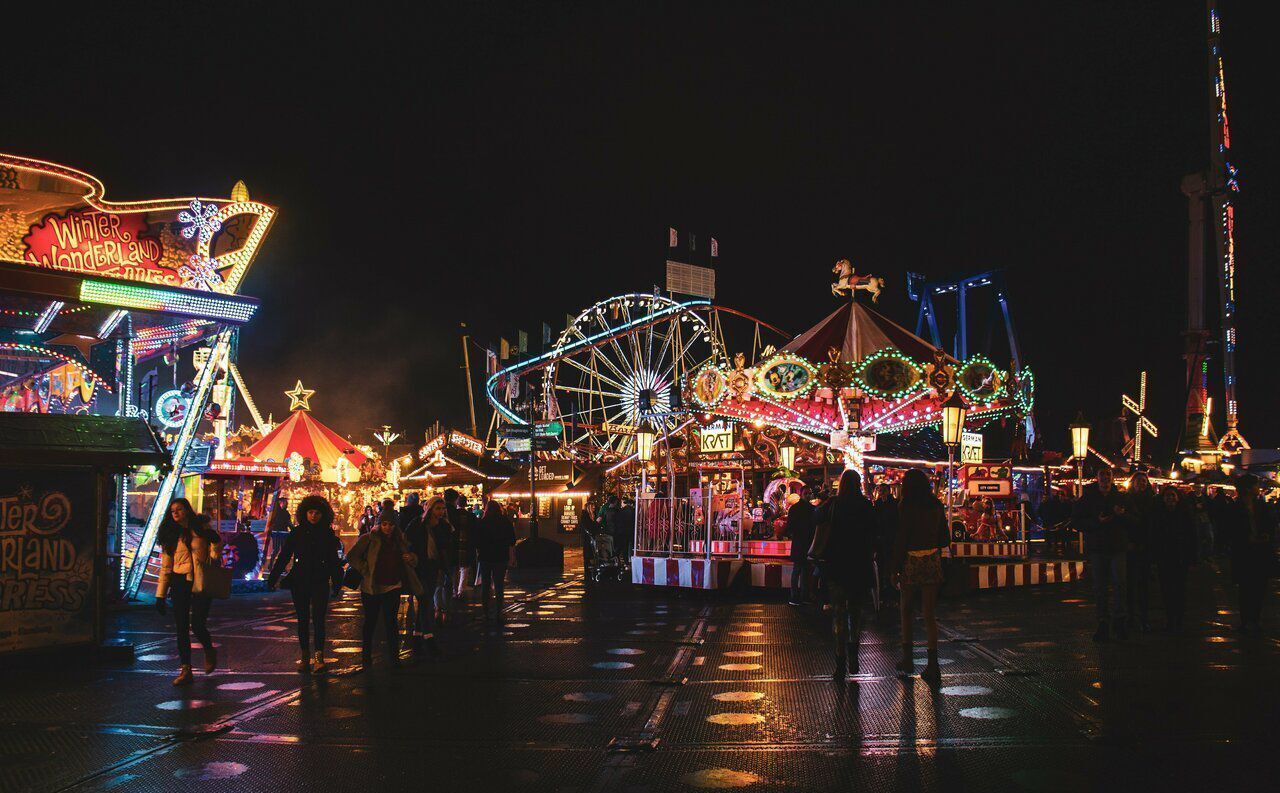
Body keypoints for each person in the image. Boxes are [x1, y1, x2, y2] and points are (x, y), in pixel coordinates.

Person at [268, 495, 344, 673]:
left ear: (323, 515)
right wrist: (273, 577)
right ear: (305, 513)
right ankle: (304, 655)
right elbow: (285, 556)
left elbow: (333, 560)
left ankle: (318, 656)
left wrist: (337, 582)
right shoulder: (297, 533)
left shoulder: (327, 534)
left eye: (317, 513)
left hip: (320, 580)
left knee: (319, 619)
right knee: (302, 620)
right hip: (300, 580)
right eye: (310, 512)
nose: (313, 516)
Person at [813, 469, 876, 680]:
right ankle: (854, 653)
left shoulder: (833, 504)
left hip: (837, 565)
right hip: (859, 565)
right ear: (859, 484)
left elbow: (816, 517)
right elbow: (875, 533)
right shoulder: (866, 506)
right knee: (856, 612)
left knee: (838, 613)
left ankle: (840, 662)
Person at [155, 498, 222, 686]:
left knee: (198, 625)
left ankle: (209, 649)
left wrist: (216, 546)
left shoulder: (200, 530)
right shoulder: (170, 535)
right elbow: (166, 568)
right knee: (181, 627)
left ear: (187, 510)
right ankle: (186, 669)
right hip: (179, 582)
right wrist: (160, 595)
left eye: (179, 509)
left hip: (202, 580)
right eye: (172, 510)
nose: (175, 513)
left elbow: (215, 553)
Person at [891, 469, 950, 683]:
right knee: (929, 614)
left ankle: (908, 659)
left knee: (906, 609)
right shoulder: (935, 505)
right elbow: (945, 537)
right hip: (931, 560)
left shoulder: (905, 506)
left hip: (911, 560)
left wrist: (894, 568)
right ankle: (932, 664)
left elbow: (901, 537)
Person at [346, 511, 423, 668]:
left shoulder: (400, 540)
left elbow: (413, 559)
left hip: (393, 586)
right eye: (384, 524)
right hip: (371, 587)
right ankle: (366, 657)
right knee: (370, 622)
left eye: (391, 525)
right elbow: (352, 556)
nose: (387, 527)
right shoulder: (368, 538)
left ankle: (394, 658)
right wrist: (364, 568)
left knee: (391, 623)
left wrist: (412, 558)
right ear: (379, 524)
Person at [1074, 467, 1131, 642]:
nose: (1105, 479)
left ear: (1112, 479)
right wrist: (1095, 523)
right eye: (1102, 475)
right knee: (1100, 587)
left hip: (1117, 547)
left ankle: (1119, 621)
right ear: (1097, 478)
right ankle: (1103, 622)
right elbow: (1076, 520)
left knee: (1120, 585)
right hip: (1099, 547)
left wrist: (1122, 516)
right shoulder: (1089, 498)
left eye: (1108, 476)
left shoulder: (1121, 498)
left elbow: (1134, 520)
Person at [1223, 475, 1276, 635]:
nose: (1258, 487)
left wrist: (1266, 534)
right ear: (1248, 488)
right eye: (1255, 485)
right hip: (1244, 552)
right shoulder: (1235, 507)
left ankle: (1255, 619)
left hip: (1261, 552)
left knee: (1260, 587)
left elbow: (1269, 524)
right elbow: (1229, 529)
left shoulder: (1261, 505)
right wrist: (1246, 538)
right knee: (1246, 588)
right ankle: (1246, 621)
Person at [403, 498, 451, 656]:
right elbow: (407, 540)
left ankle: (417, 636)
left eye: (443, 508)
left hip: (434, 567)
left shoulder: (443, 525)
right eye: (438, 508)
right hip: (420, 566)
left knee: (425, 600)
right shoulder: (417, 524)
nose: (441, 512)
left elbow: (445, 546)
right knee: (425, 600)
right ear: (430, 508)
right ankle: (429, 638)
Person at [1153, 486, 1195, 631]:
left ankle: (1179, 618)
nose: (1170, 498)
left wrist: (1192, 556)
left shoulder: (1185, 514)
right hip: (1164, 556)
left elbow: (1192, 535)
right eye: (1167, 496)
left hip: (1180, 556)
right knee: (1166, 588)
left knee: (1180, 588)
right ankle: (1171, 617)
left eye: (1172, 495)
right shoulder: (1159, 515)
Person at [1125, 472, 1158, 632]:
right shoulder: (1127, 500)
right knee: (1130, 583)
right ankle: (1132, 617)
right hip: (1131, 545)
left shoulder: (1153, 501)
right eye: (1139, 481)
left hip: (1146, 545)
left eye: (1144, 481)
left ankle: (1143, 617)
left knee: (1144, 585)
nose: (1141, 484)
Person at [474, 499, 517, 619]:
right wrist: (512, 557)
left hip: (485, 557)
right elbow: (512, 540)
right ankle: (498, 611)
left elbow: (476, 542)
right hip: (501, 557)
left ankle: (486, 611)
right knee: (499, 585)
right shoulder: (505, 522)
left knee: (485, 585)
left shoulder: (482, 522)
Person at [784, 483, 816, 606]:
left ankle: (796, 596)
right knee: (802, 570)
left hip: (799, 543)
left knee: (800, 570)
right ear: (801, 495)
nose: (808, 495)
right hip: (805, 543)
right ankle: (800, 595)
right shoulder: (811, 509)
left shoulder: (796, 508)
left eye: (809, 493)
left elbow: (790, 527)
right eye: (806, 493)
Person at [445, 489, 475, 601]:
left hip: (450, 546)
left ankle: (453, 591)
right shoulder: (469, 516)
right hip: (464, 545)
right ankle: (459, 590)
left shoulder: (448, 513)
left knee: (453, 569)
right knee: (463, 568)